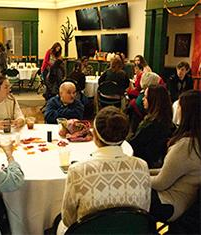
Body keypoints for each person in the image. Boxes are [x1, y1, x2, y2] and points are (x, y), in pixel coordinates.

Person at [58, 106, 150, 234]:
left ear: (95, 135)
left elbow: (68, 220)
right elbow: (144, 210)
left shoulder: (78, 171)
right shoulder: (142, 166)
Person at [150, 90, 201, 222]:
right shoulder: (195, 140)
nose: (176, 108)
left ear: (187, 112)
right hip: (185, 201)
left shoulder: (186, 146)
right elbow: (168, 172)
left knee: (124, 194)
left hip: (169, 203)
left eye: (179, 106)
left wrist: (136, 177)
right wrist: (142, 170)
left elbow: (161, 183)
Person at [128, 85, 174, 168]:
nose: (143, 99)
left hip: (143, 165)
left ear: (153, 100)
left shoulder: (150, 126)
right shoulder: (168, 122)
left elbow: (133, 145)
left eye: (145, 97)